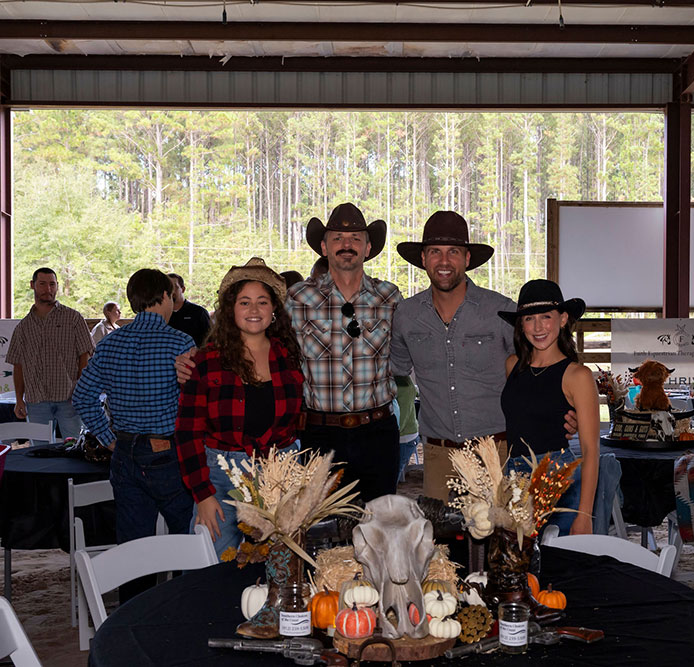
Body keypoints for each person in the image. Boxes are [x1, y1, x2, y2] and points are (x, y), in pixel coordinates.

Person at [72, 269, 196, 601]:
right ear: (167, 296)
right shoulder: (180, 342)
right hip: (168, 452)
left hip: (124, 451)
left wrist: (108, 437)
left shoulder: (110, 342)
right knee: (189, 543)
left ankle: (131, 624)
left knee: (133, 550)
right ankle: (188, 613)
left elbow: (82, 396)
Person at [175, 258, 304, 559]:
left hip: (278, 472)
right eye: (244, 302)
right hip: (220, 474)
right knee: (217, 565)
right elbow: (186, 433)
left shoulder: (289, 357)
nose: (254, 310)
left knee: (280, 566)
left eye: (262, 302)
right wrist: (203, 495)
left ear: (274, 311)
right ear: (231, 309)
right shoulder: (205, 361)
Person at [390, 211, 516, 500]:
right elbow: (391, 368)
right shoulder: (406, 315)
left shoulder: (500, 311)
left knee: (498, 539)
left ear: (467, 258)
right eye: (435, 252)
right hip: (437, 455)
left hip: (494, 452)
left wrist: (565, 410)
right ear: (423, 259)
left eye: (453, 252)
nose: (444, 261)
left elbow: (538, 368)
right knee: (441, 542)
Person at [288, 202, 402, 503]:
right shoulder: (298, 297)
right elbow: (259, 341)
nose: (346, 245)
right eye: (337, 238)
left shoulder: (389, 297)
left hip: (378, 431)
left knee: (381, 526)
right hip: (321, 436)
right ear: (324, 248)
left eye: (355, 239)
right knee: (324, 531)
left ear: (367, 247)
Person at [498, 279, 600, 536]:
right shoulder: (512, 366)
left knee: (557, 566)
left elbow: (590, 450)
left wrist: (584, 515)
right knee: (518, 567)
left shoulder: (578, 376)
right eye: (529, 318)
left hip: (556, 478)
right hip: (513, 479)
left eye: (546, 316)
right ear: (521, 324)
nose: (538, 326)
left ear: (563, 319)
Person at [5, 267, 93, 441]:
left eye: (52, 284)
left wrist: (80, 388)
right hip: (36, 400)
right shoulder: (23, 327)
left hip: (70, 398)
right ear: (32, 285)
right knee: (39, 452)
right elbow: (18, 365)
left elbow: (85, 355)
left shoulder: (73, 318)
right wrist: (19, 399)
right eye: (43, 284)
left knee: (75, 448)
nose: (48, 289)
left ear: (57, 286)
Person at [167, 272, 213, 347]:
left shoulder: (199, 313)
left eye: (174, 287)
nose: (171, 291)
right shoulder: (161, 314)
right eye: (167, 288)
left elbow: (210, 341)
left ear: (183, 289)